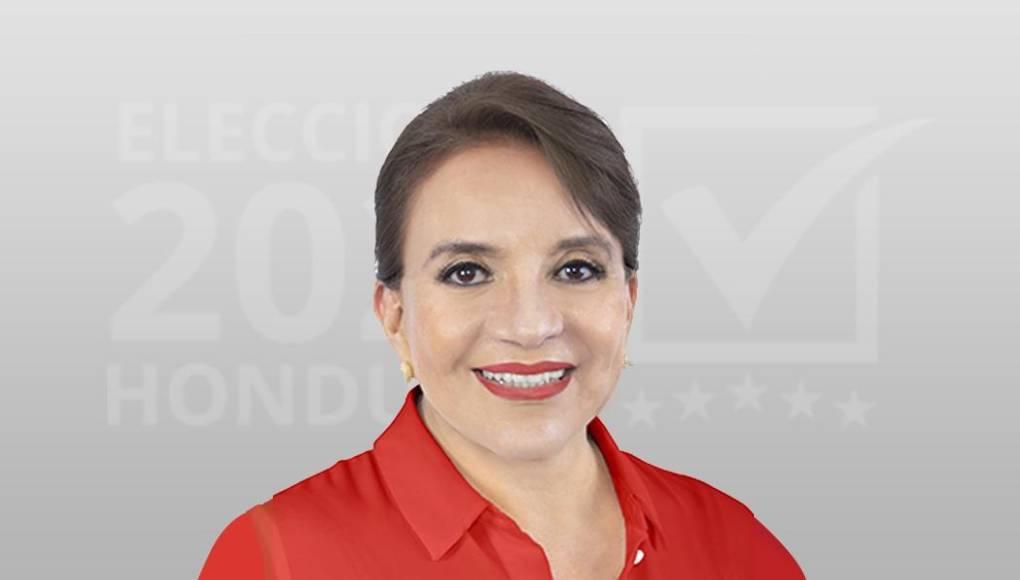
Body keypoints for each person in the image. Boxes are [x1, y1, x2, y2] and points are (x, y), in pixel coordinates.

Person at [198, 70, 807, 579]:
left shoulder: (736, 548)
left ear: (628, 302)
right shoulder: (277, 558)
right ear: (394, 314)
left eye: (575, 269)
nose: (530, 325)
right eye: (467, 273)